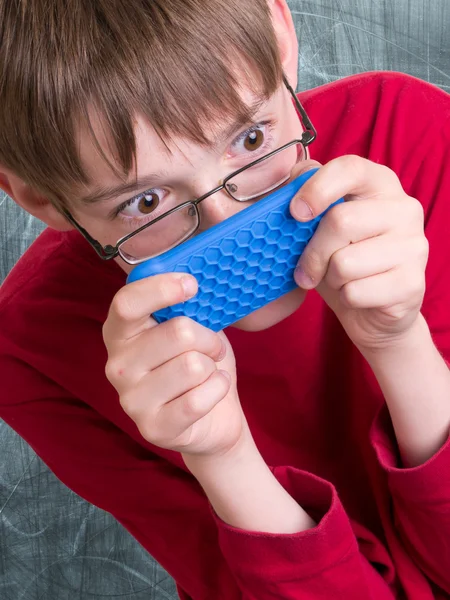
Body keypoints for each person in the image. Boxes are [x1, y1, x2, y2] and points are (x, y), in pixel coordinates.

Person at [1, 0, 450, 598]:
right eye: (146, 203)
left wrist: (398, 341)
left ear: (279, 36)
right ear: (44, 202)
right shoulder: (30, 350)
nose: (226, 223)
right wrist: (223, 459)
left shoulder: (408, 131)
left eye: (252, 137)